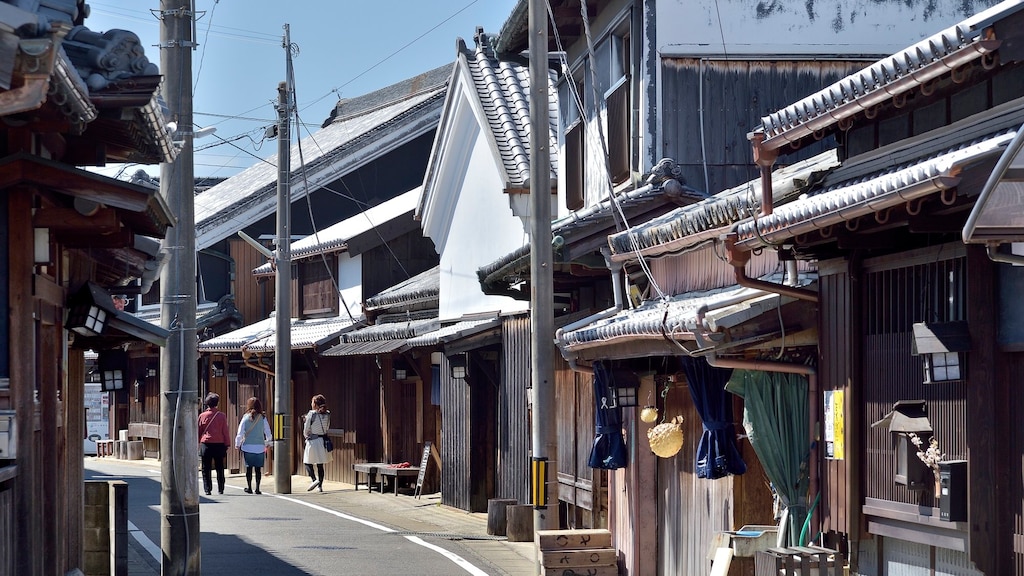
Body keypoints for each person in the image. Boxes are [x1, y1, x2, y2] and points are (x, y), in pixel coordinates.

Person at [235, 396, 273, 494]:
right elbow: (268, 431)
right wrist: (269, 442)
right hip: (260, 447)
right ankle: (257, 488)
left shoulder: (245, 417)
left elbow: (240, 432)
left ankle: (249, 487)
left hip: (247, 446)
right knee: (258, 469)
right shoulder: (263, 418)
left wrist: (237, 444)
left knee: (249, 469)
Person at [198, 393, 230, 496]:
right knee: (219, 467)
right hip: (219, 444)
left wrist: (197, 443)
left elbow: (198, 431)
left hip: (206, 444)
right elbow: (225, 431)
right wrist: (227, 443)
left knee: (205, 468)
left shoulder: (202, 416)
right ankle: (221, 488)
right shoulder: (222, 416)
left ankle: (207, 489)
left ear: (207, 403)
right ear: (217, 403)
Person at [302, 394, 332, 492]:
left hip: (313, 441)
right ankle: (320, 486)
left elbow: (306, 429)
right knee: (320, 464)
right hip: (322, 440)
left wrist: (306, 435)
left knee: (307, 461)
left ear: (315, 403)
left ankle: (314, 480)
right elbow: (327, 427)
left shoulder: (311, 414)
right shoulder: (327, 413)